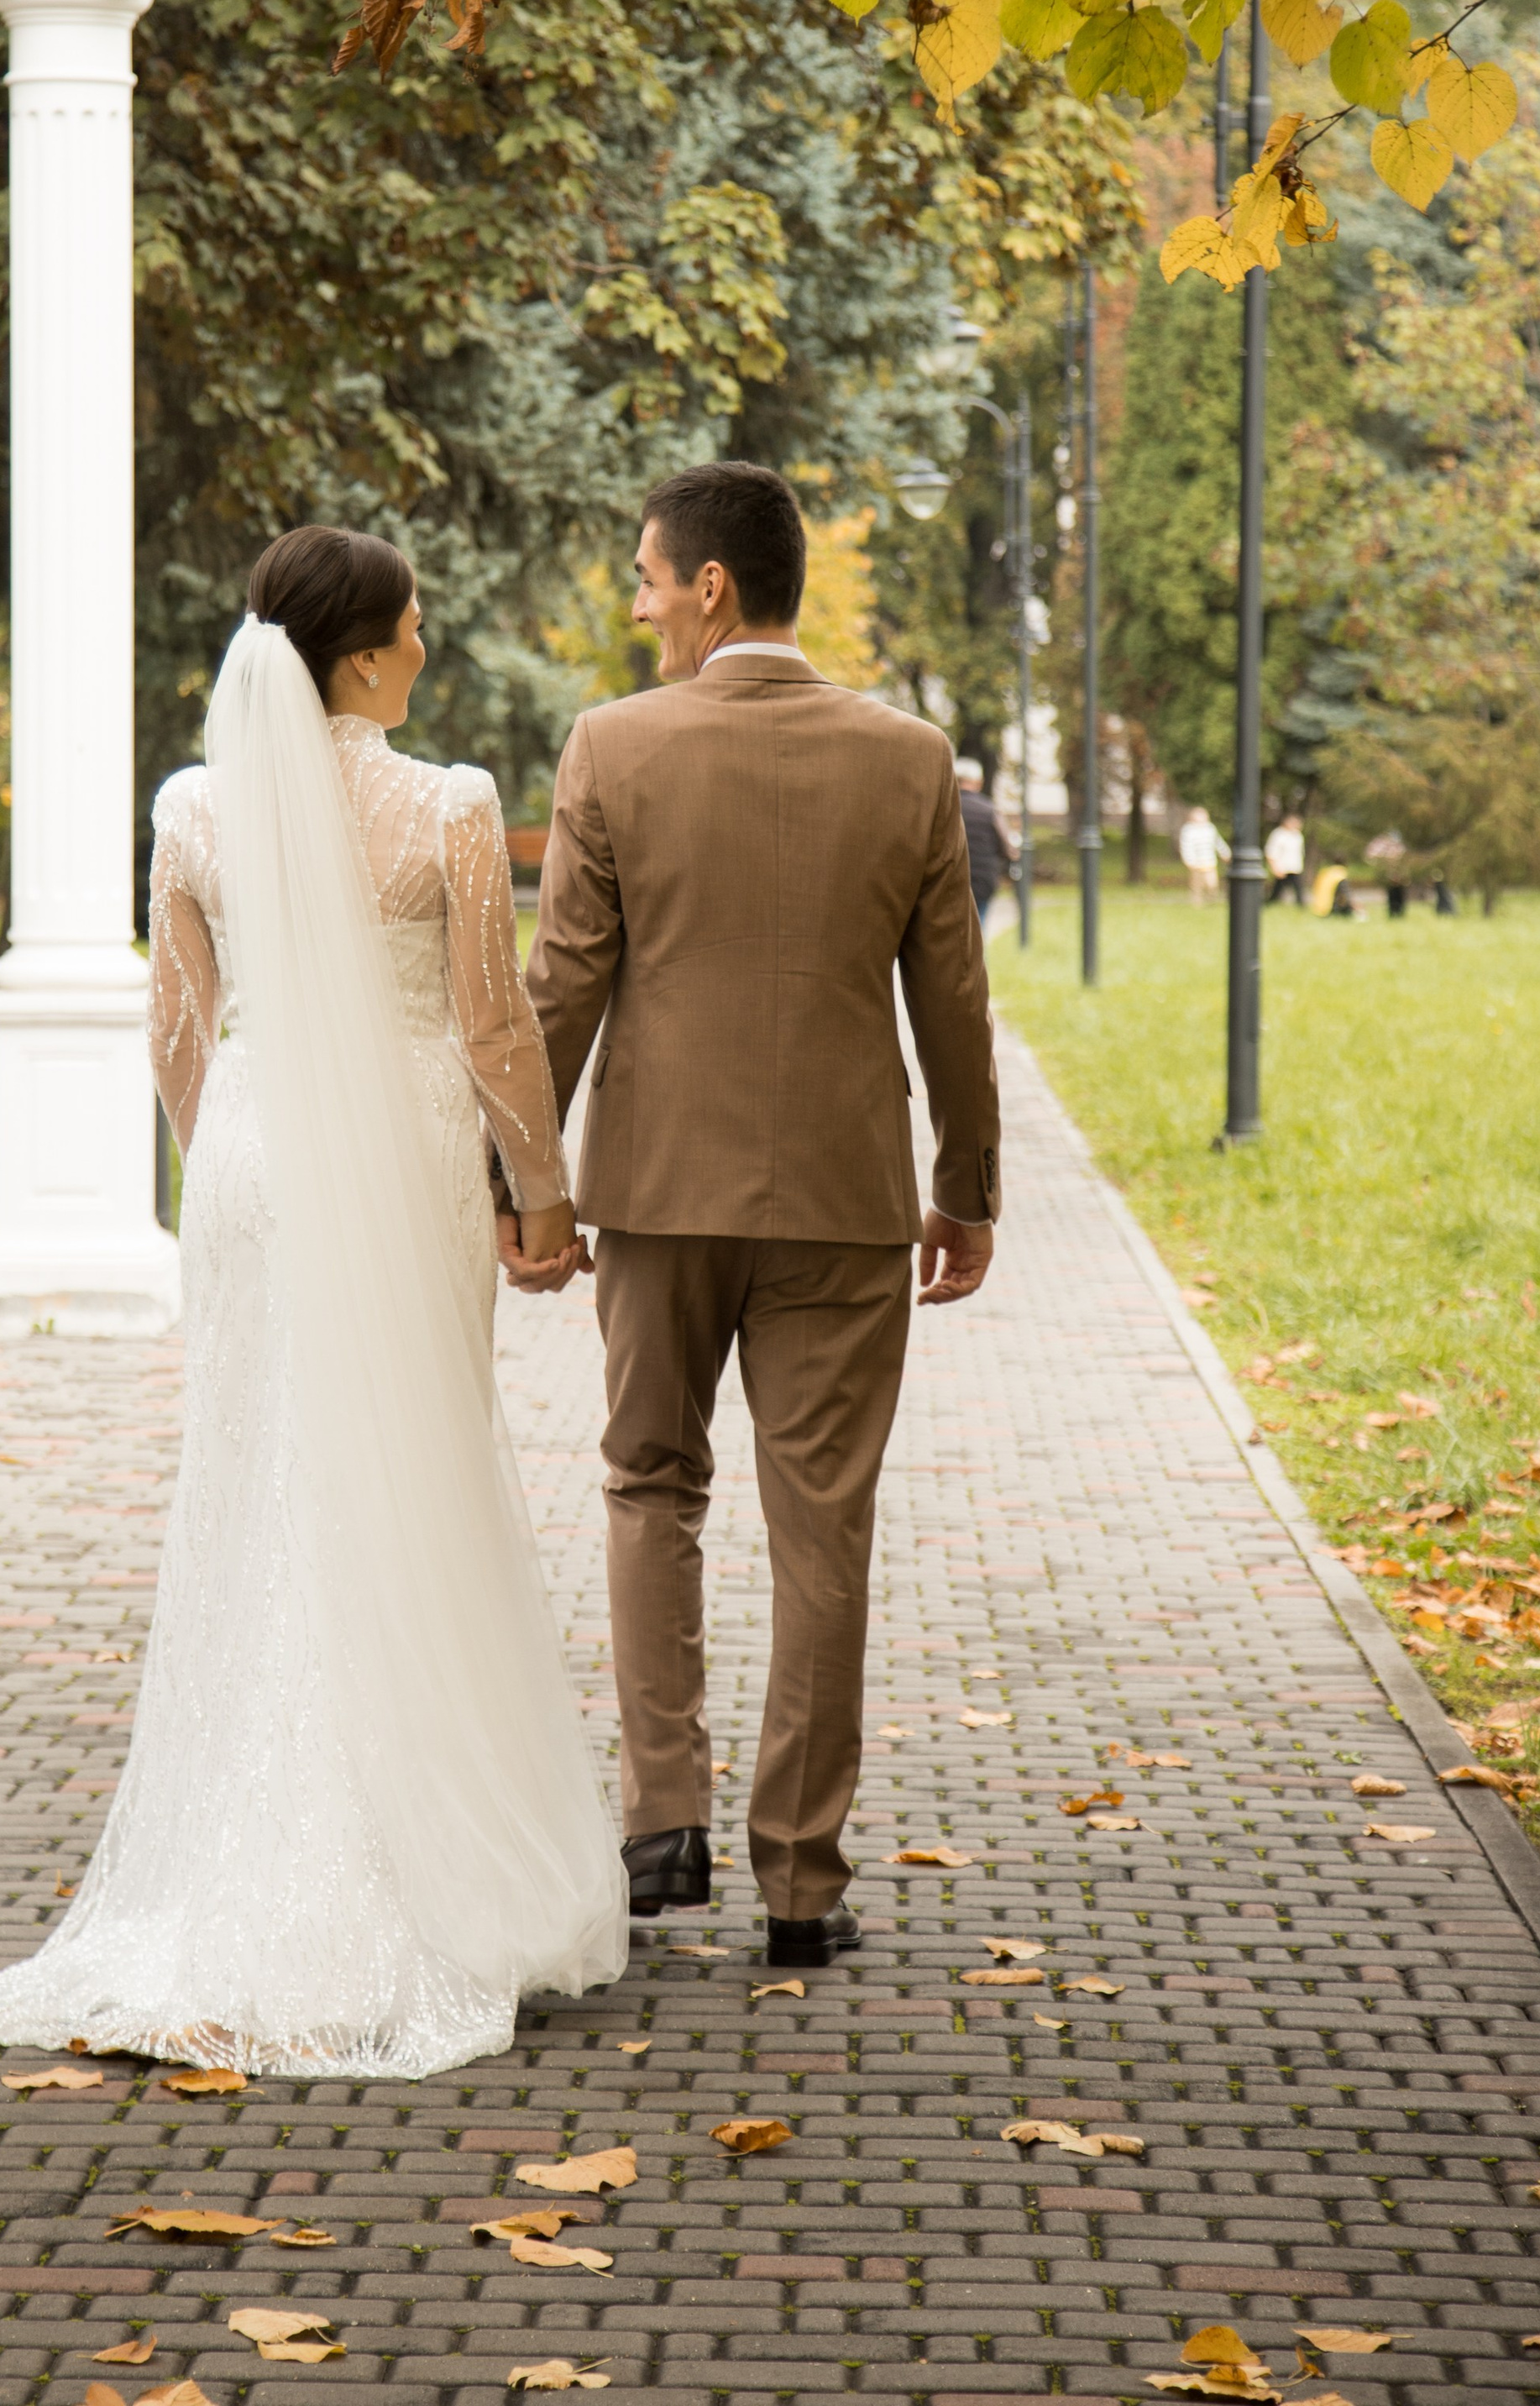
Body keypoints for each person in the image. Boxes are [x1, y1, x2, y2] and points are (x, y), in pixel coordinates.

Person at [0, 527, 626, 2078]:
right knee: (411, 1469)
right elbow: (494, 1023)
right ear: (362, 654)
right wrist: (545, 1192)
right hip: (409, 1144)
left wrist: (232, 1160)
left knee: (256, 1483)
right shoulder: (446, 806)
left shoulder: (191, 809)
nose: (429, 648)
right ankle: (409, 1873)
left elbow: (183, 1029)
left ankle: (226, 1875)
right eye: (416, 626)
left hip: (248, 1161)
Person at [519, 461, 999, 1973]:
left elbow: (565, 989)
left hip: (656, 1196)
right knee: (823, 1529)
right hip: (848, 1205)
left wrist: (529, 1189)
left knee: (649, 1483)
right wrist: (965, 1189)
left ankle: (663, 1818)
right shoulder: (912, 759)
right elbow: (956, 1006)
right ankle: (802, 1880)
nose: (641, 600)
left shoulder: (612, 746)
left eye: (649, 575)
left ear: (711, 584)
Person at [954, 755, 1016, 929]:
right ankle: (978, 954)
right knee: (978, 927)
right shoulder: (990, 810)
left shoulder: (947, 808)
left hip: (951, 880)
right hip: (983, 880)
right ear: (978, 782)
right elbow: (1008, 848)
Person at [1177, 804, 1229, 904]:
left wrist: (1225, 853)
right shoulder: (1189, 830)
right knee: (1197, 884)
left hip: (1209, 861)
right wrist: (1189, 860)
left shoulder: (1210, 829)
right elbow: (1186, 847)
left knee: (1212, 883)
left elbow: (1217, 842)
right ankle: (1197, 902)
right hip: (1196, 863)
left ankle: (1211, 899)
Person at [1265, 810, 1306, 906]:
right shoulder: (1278, 834)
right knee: (1277, 889)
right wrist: (1274, 867)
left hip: (1294, 867)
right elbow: (1271, 852)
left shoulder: (1297, 835)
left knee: (1298, 888)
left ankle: (1301, 905)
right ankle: (1270, 903)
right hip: (1282, 867)